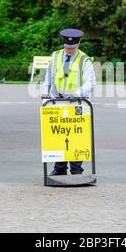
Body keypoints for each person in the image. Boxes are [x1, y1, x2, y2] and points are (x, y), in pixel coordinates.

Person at [41, 29, 96, 175]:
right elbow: (49, 77)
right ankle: (59, 169)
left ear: (78, 44)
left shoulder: (85, 60)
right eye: (67, 47)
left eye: (72, 48)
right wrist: (45, 95)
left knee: (77, 136)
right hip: (58, 102)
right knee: (59, 135)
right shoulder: (56, 56)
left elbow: (90, 83)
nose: (69, 50)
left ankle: (76, 170)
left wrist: (77, 94)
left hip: (77, 102)